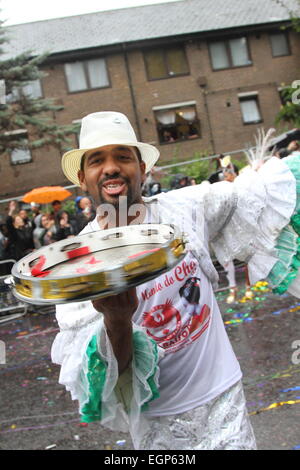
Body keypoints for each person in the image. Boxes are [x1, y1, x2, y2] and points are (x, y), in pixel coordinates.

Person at [51, 111, 300, 450]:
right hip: (160, 429)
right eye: (97, 160)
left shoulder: (186, 207)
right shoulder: (77, 267)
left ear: (142, 169)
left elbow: (248, 195)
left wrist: (264, 172)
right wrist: (117, 319)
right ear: (83, 178)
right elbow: (109, 385)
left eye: (123, 156)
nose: (111, 168)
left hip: (225, 401)